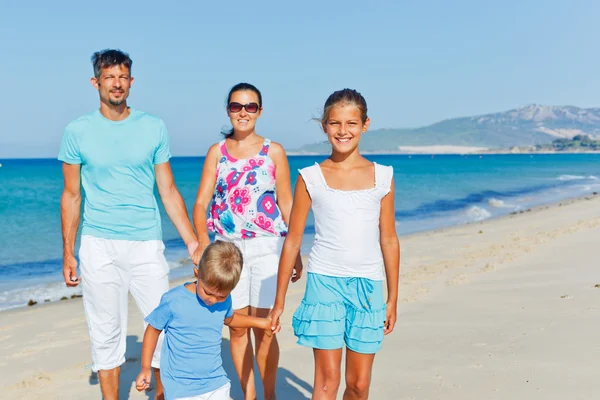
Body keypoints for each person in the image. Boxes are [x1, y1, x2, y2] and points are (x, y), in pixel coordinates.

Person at [58, 49, 198, 400]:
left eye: (123, 77)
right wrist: (67, 252)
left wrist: (193, 243)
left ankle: (163, 395)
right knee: (106, 331)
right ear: (96, 83)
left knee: (165, 325)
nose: (116, 84)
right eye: (109, 77)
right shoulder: (77, 131)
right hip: (98, 245)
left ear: (131, 82)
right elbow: (72, 196)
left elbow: (167, 191)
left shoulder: (153, 127)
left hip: (145, 244)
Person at [270, 88, 400, 400]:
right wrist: (279, 301)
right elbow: (293, 242)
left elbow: (389, 238)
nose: (343, 131)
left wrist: (393, 296)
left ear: (365, 124)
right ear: (324, 126)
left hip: (368, 286)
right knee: (327, 383)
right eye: (335, 123)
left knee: (358, 386)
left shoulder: (382, 176)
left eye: (351, 123)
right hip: (324, 283)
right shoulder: (310, 177)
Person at [191, 82, 302, 400]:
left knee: (266, 327)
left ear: (260, 111)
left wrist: (294, 250)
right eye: (236, 106)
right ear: (228, 109)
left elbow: (287, 203)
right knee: (237, 327)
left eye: (250, 106)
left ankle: (269, 396)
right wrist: (202, 243)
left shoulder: (274, 151)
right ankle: (249, 396)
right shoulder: (217, 152)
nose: (243, 112)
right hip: (226, 249)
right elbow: (200, 203)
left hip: (268, 246)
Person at [135, 240, 279, 400]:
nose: (213, 300)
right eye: (208, 293)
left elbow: (230, 319)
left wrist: (262, 323)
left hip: (215, 383)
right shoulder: (174, 301)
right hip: (181, 388)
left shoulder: (224, 301)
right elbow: (153, 330)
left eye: (221, 296)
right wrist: (146, 367)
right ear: (197, 274)